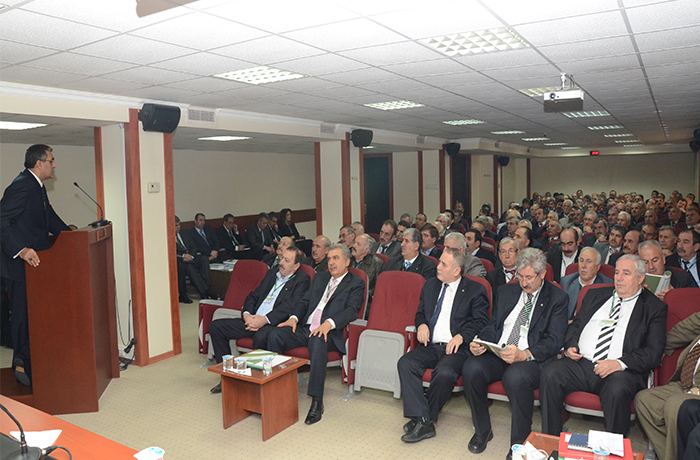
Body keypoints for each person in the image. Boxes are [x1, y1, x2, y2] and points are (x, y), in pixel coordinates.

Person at [540, 255, 667, 437]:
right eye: (617, 272)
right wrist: (571, 345)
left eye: (626, 273)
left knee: (617, 390)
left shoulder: (654, 307)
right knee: (550, 373)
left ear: (640, 278)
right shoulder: (595, 295)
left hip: (620, 371)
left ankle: (614, 447)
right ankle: (551, 438)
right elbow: (576, 325)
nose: (619, 278)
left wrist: (619, 363)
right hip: (582, 363)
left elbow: (653, 352)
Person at [463, 248, 568, 456]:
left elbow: (554, 340)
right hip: (501, 351)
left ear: (542, 274)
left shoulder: (557, 298)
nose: (524, 283)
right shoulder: (506, 291)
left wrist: (524, 354)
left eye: (529, 278)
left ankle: (519, 443)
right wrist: (481, 340)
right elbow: (494, 325)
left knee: (516, 377)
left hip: (531, 358)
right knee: (471, 368)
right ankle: (482, 430)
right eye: (520, 276)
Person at [397, 248, 489, 442]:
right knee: (405, 363)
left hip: (457, 349)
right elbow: (420, 313)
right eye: (439, 262)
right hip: (431, 346)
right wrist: (422, 325)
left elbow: (481, 322)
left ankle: (422, 420)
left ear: (456, 271)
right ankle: (424, 419)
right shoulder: (430, 285)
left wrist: (462, 336)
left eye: (443, 264)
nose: (437, 266)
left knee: (445, 373)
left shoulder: (475, 290)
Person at [267, 244, 365, 425]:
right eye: (329, 259)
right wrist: (294, 318)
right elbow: (304, 301)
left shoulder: (356, 283)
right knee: (276, 334)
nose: (331, 262)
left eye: (336, 258)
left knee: (318, 339)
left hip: (329, 333)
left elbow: (352, 310)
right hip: (306, 328)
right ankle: (278, 390)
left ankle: (316, 401)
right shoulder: (320, 277)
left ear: (347, 262)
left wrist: (329, 323)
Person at [1, 144, 71, 386]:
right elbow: (2, 220)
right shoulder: (22, 185)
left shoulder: (37, 186)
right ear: (39, 163)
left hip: (37, 266)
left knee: (37, 315)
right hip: (19, 266)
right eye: (51, 160)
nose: (54, 165)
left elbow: (49, 217)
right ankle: (20, 368)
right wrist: (22, 250)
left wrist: (72, 237)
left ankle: (30, 363)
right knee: (22, 317)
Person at [208, 247, 310, 393]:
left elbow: (290, 306)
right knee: (216, 327)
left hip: (272, 324)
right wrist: (247, 315)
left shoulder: (302, 279)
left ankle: (255, 383)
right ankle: (228, 377)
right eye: (281, 258)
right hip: (252, 320)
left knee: (262, 336)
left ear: (296, 266)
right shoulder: (272, 273)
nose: (281, 262)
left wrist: (264, 320)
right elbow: (253, 296)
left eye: (286, 260)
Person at [635, 312, 700, 460]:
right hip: (686, 383)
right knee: (646, 400)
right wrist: (657, 348)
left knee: (675, 404)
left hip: (697, 391)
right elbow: (685, 329)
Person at [560, 247, 614, 319]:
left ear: (598, 267)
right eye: (581, 261)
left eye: (589, 262)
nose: (583, 266)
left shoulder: (607, 285)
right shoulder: (566, 282)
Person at [175, 216, 215, 303]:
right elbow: (171, 252)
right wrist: (183, 256)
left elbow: (194, 246)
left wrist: (191, 256)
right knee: (189, 267)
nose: (178, 227)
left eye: (179, 225)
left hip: (191, 257)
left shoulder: (184, 232)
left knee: (204, 259)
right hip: (182, 261)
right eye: (176, 225)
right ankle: (205, 291)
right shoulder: (167, 237)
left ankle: (207, 287)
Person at [350, 233, 385, 316]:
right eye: (354, 242)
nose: (354, 246)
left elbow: (378, 289)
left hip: (366, 302)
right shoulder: (347, 261)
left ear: (367, 250)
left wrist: (361, 293)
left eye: (358, 244)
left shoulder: (377, 263)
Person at [486, 237, 519, 310]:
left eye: (511, 251)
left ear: (518, 253)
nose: (507, 256)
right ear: (499, 255)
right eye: (503, 252)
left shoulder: (525, 274)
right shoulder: (491, 277)